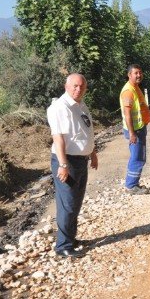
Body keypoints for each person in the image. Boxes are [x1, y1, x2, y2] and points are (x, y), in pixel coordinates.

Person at [47, 73, 98, 258]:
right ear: (66, 86)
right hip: (67, 161)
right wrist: (63, 164)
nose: (79, 89)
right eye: (75, 86)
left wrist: (92, 153)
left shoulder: (80, 106)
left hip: (80, 161)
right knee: (67, 204)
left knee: (75, 203)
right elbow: (58, 138)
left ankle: (71, 238)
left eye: (82, 87)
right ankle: (63, 246)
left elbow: (85, 132)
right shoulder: (59, 108)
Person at [120, 64, 150, 194]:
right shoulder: (128, 91)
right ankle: (131, 186)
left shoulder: (135, 88)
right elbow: (127, 115)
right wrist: (132, 133)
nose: (139, 75)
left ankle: (133, 184)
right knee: (137, 157)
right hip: (135, 131)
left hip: (139, 128)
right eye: (136, 73)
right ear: (129, 75)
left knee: (139, 156)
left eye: (140, 72)